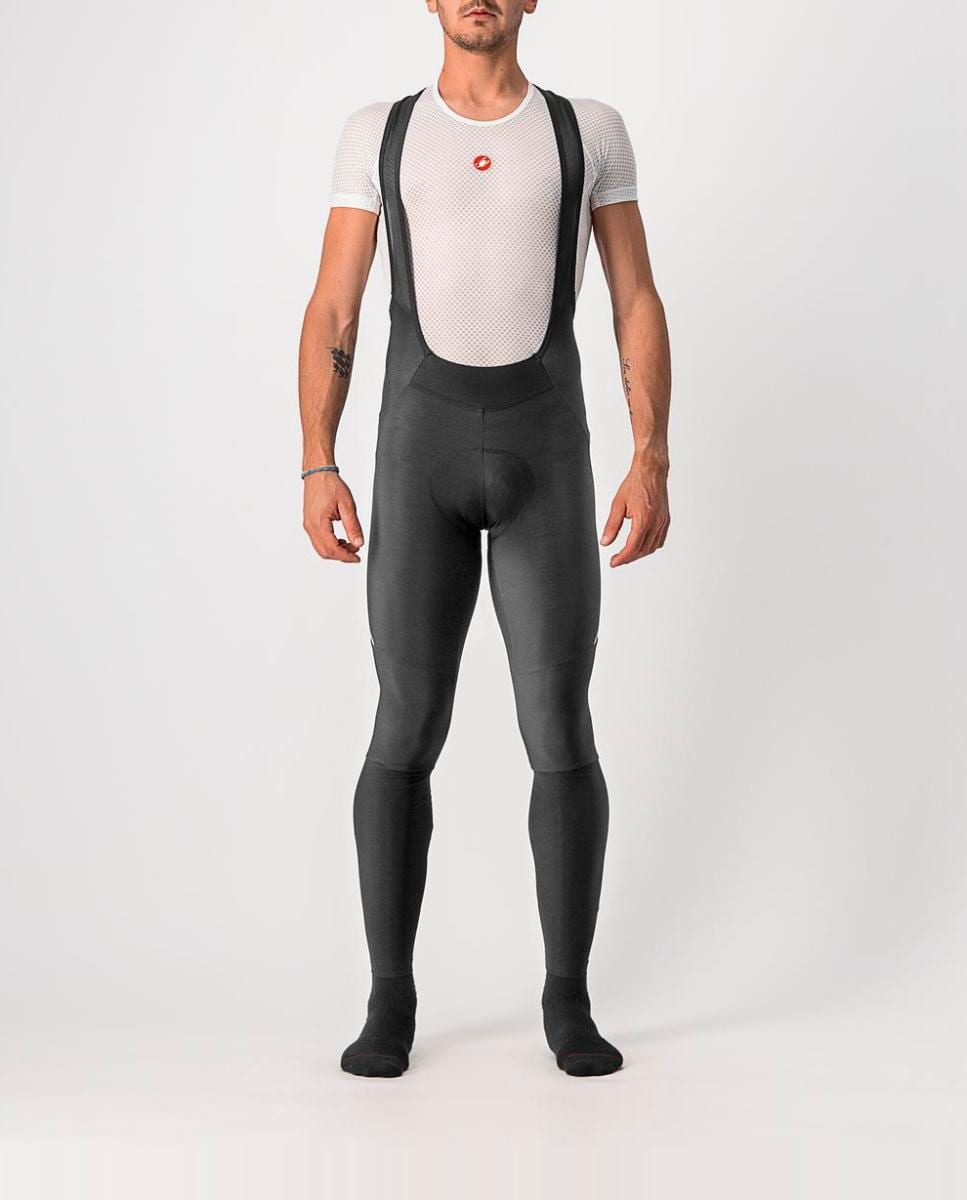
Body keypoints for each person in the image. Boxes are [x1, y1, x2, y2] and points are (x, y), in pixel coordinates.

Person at [298, 0, 671, 1078]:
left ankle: (567, 999)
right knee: (405, 724)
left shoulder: (585, 130)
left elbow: (634, 297)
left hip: (546, 455)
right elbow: (334, 308)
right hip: (417, 455)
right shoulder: (379, 132)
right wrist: (317, 461)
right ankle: (390, 1001)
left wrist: (650, 455)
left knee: (557, 724)